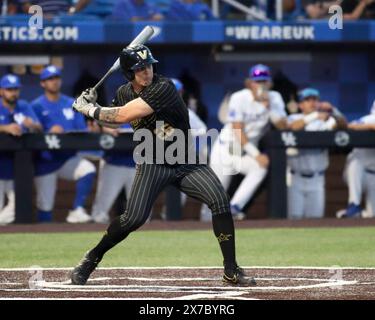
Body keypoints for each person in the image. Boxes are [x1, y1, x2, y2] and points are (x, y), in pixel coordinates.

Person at [70, 44, 256, 286]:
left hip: (185, 160)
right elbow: (117, 122)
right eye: (139, 68)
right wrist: (94, 110)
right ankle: (92, 258)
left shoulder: (163, 87)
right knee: (132, 219)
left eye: (148, 66)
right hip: (152, 162)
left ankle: (231, 270)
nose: (146, 71)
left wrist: (90, 108)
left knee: (220, 201)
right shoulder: (124, 93)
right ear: (129, 73)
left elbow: (124, 115)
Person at [201, 64, 287, 222]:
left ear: (270, 83)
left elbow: (283, 126)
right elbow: (237, 129)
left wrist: (269, 108)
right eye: (257, 81)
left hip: (244, 152)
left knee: (259, 168)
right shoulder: (239, 97)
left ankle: (234, 207)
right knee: (214, 196)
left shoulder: (275, 98)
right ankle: (202, 226)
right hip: (226, 150)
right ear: (249, 83)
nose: (261, 85)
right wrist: (256, 154)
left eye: (264, 81)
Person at [31, 65, 96, 223]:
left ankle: (76, 210)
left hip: (66, 158)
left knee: (88, 169)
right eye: (50, 79)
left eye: (56, 78)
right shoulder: (36, 105)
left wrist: (89, 130)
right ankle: (42, 237)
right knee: (45, 206)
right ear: (43, 83)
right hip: (45, 161)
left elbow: (81, 129)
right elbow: (31, 132)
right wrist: (48, 130)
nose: (54, 81)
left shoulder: (70, 103)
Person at [287, 88, 346, 219]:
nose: (312, 102)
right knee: (293, 219)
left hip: (317, 179)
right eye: (307, 100)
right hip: (295, 179)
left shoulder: (325, 121)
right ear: (300, 105)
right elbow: (292, 127)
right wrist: (315, 116)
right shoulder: (294, 117)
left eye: (315, 99)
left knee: (315, 220)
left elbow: (343, 125)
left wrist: (333, 110)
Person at [0, 74, 42, 224]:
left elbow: (38, 127)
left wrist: (32, 125)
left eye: (15, 89)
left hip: (15, 170)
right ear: (1, 91)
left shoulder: (23, 106)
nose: (13, 92)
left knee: (15, 209)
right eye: (9, 89)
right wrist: (6, 128)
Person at [91, 123, 137, 224]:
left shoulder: (145, 110)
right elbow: (95, 123)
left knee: (141, 215)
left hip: (139, 166)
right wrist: (102, 127)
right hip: (114, 163)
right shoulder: (112, 109)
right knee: (99, 214)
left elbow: (164, 127)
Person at [336, 103, 375, 218]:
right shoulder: (369, 119)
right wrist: (370, 127)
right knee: (355, 162)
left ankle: (352, 214)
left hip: (374, 176)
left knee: (372, 216)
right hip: (359, 173)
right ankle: (354, 203)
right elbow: (351, 126)